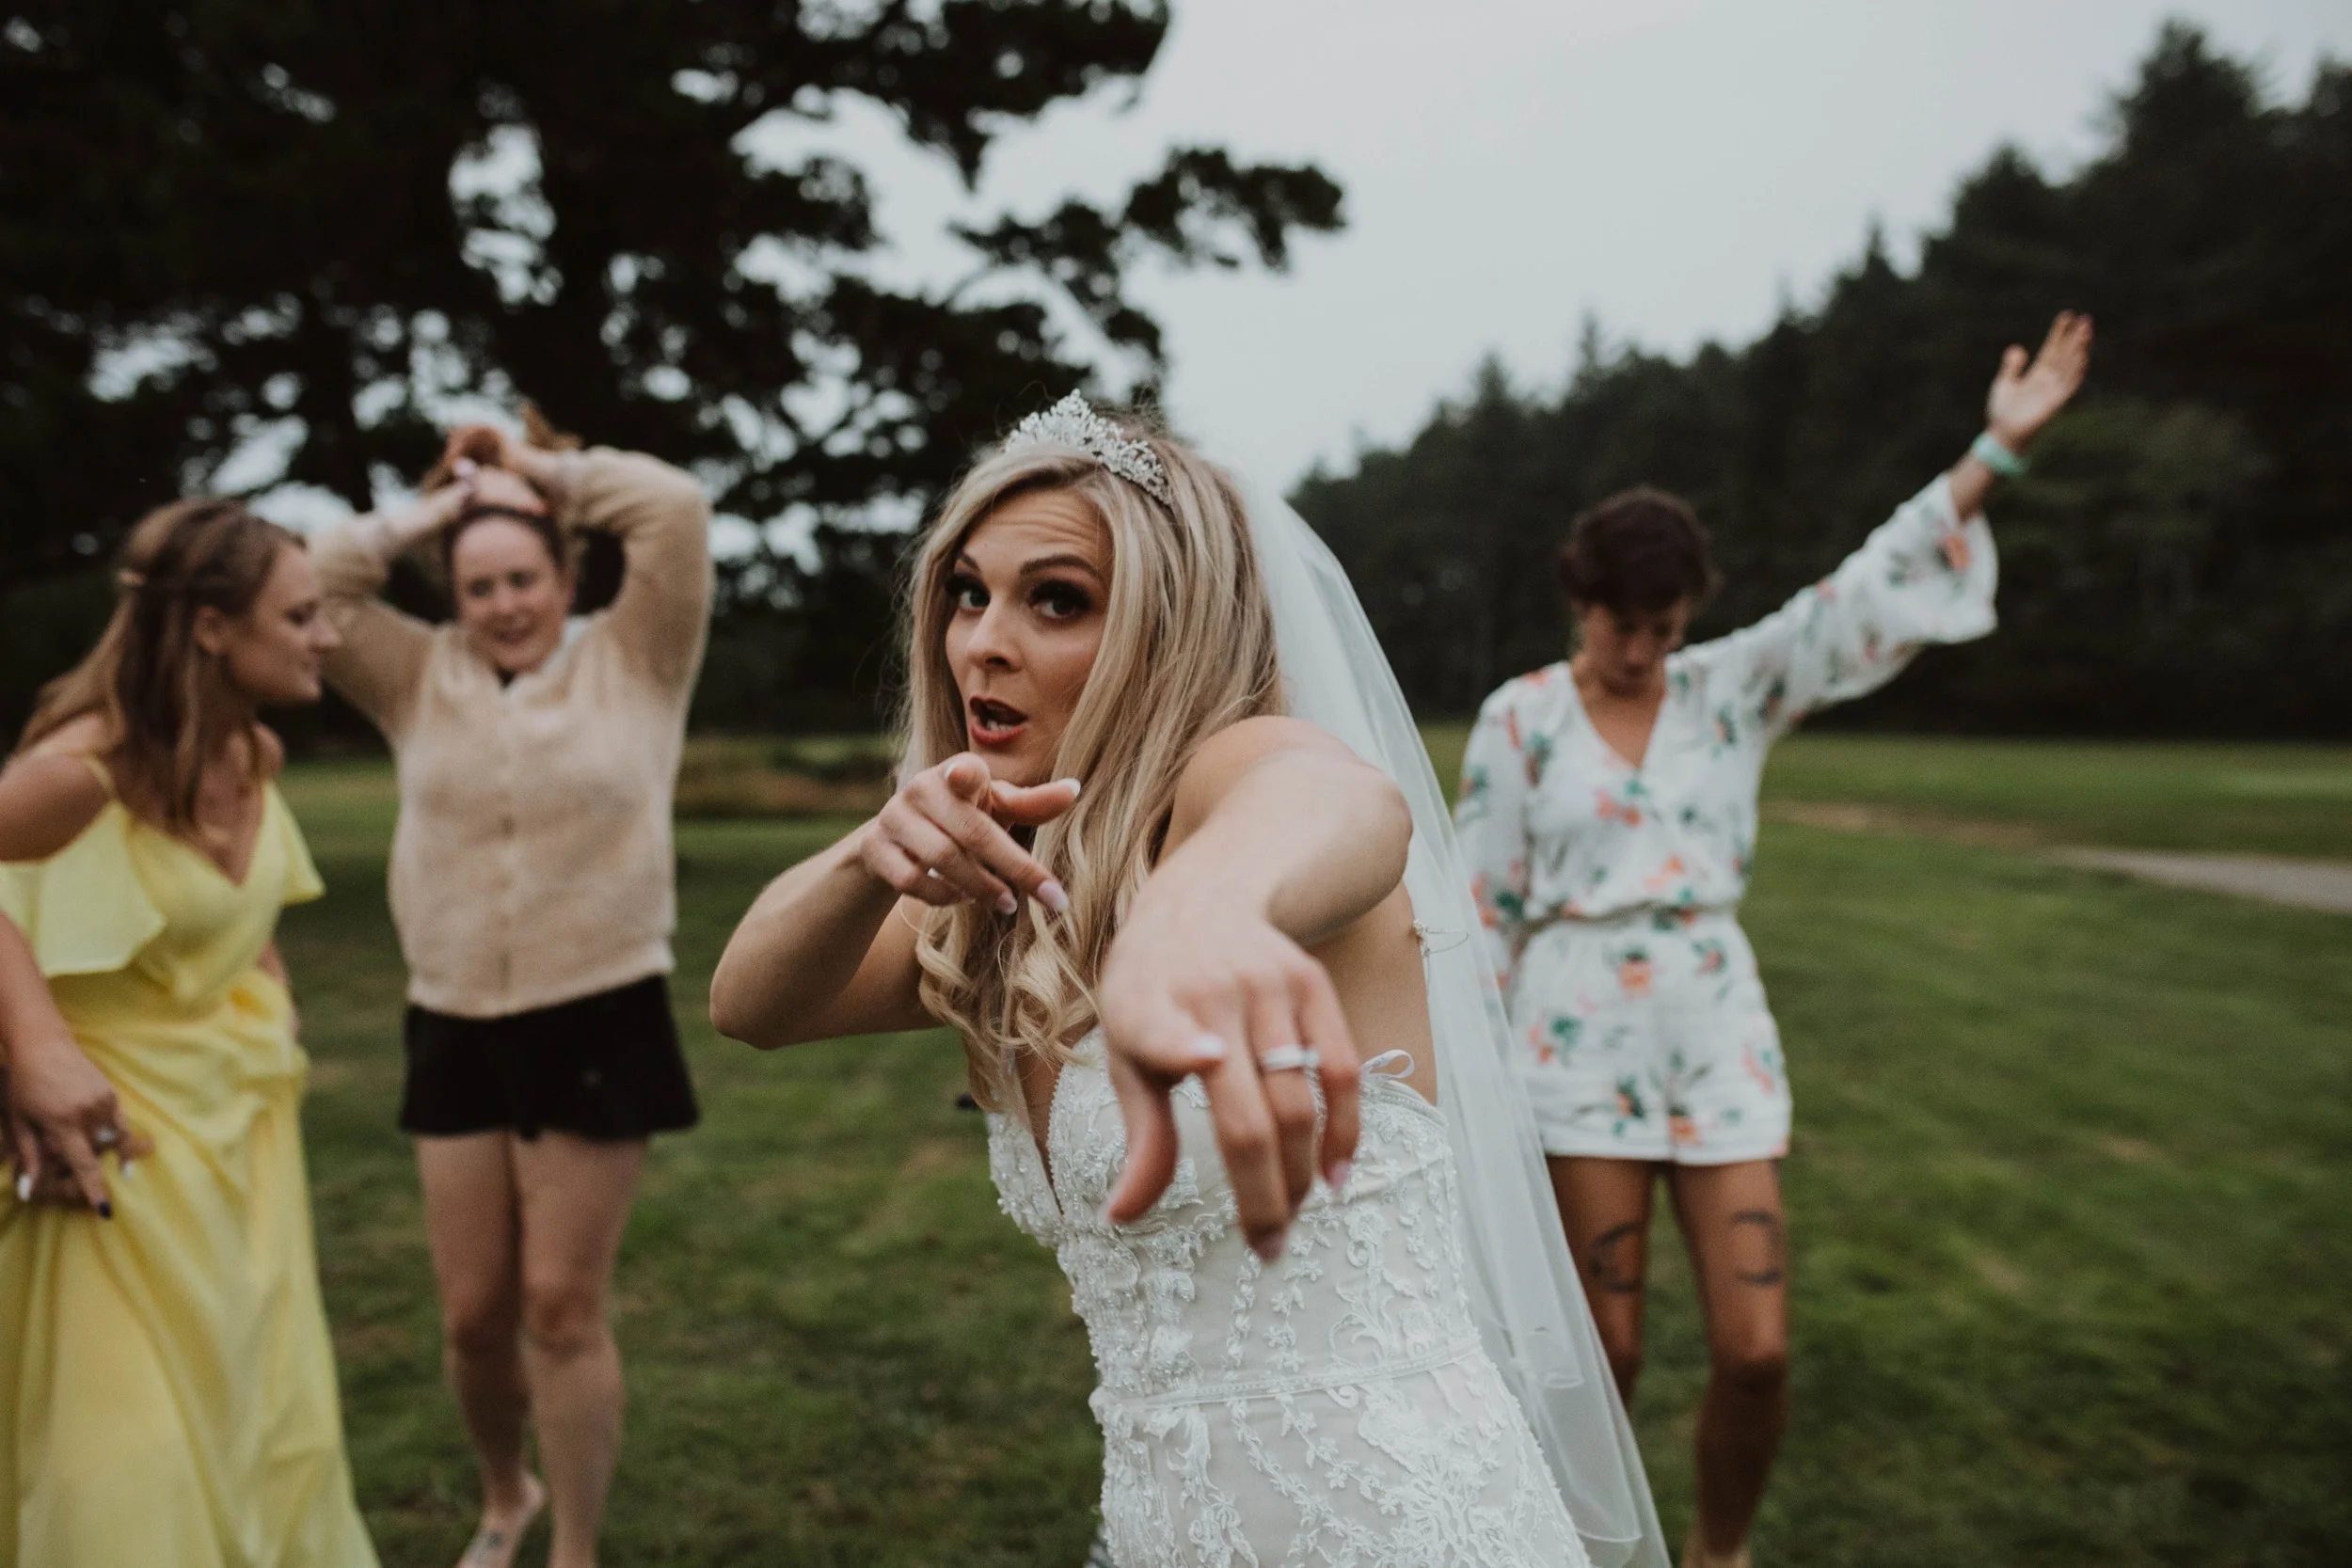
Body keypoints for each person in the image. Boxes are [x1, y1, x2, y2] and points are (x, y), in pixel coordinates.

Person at [712, 395, 1669, 1568]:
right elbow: (750, 1004)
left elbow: (1340, 805)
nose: (982, 641)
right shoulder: (1003, 882)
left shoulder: (1237, 769)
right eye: (968, 590)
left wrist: (1198, 913)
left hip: (1393, 1523)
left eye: (1056, 599)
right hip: (1168, 1527)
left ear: (1166, 630)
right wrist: (870, 854)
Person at [1454, 313, 2093, 1568]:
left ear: (1690, 614)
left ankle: (1716, 1553)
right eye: (1618, 624)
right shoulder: (1519, 719)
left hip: (1713, 1026)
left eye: (1664, 624)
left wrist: (1994, 455)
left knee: (1758, 1350)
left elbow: (1858, 590)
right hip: (1574, 1031)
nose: (1640, 650)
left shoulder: (1729, 686)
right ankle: (1567, 1548)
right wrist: (1466, 1079)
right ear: (1580, 601)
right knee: (1609, 1350)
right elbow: (1483, 908)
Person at [311, 415, 712, 1568]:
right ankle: (507, 1494)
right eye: (478, 584)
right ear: (455, 591)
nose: (502, 602)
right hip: (451, 1017)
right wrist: (441, 505)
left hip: (599, 1005)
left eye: (523, 577)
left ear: (566, 572)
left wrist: (536, 473)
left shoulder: (637, 652)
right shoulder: (407, 672)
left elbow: (673, 509)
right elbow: (311, 579)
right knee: (473, 1314)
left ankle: (575, 1548)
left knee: (559, 1307)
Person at [0, 498, 376, 1566]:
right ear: (213, 627)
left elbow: (244, 910)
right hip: (117, 1147)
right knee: (124, 1458)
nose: (329, 636)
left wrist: (267, 984)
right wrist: (35, 1048)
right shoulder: (86, 767)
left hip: (243, 1140)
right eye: (301, 615)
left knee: (257, 1419)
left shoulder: (254, 754)